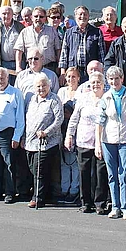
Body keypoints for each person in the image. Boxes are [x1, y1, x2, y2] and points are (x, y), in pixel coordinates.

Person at [95, 66, 126, 220]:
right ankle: (115, 207)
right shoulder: (105, 98)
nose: (114, 81)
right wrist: (98, 144)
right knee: (112, 174)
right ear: (108, 81)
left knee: (125, 174)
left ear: (122, 78)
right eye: (111, 79)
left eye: (117, 78)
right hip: (109, 139)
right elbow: (100, 122)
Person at [66, 71, 111, 214]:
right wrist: (69, 135)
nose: (96, 85)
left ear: (104, 84)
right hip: (84, 140)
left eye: (99, 82)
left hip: (103, 140)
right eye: (93, 83)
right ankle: (85, 202)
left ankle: (100, 203)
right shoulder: (83, 98)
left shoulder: (108, 97)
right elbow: (74, 118)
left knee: (100, 173)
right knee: (84, 172)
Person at [0, 67, 27, 203]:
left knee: (9, 164)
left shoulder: (15, 93)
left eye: (2, 78)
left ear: (7, 78)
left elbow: (20, 118)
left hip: (7, 134)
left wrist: (16, 137)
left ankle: (10, 192)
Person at [24, 73, 64, 208]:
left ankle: (38, 198)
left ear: (49, 85)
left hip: (47, 142)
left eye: (44, 85)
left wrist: (46, 132)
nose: (41, 88)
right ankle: (43, 194)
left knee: (39, 170)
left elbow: (59, 120)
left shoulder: (54, 99)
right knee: (32, 169)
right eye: (38, 86)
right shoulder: (32, 100)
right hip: (30, 142)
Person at [59, 5, 105, 84]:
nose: (82, 16)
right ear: (75, 16)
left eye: (85, 14)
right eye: (80, 14)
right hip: (74, 72)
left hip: (91, 72)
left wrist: (101, 72)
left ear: (88, 16)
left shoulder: (96, 32)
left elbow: (101, 55)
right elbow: (64, 54)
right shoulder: (69, 32)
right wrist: (63, 73)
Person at [57, 67, 81, 204]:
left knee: (74, 161)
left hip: (76, 128)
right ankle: (64, 188)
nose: (71, 79)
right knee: (64, 161)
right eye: (69, 77)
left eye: (73, 76)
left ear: (78, 78)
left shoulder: (81, 91)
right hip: (62, 127)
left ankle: (74, 190)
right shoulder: (62, 91)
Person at [14, 6, 61, 74]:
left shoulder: (52, 31)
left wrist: (59, 66)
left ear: (45, 18)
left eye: (41, 17)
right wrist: (18, 67)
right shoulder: (25, 32)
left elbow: (58, 50)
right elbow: (19, 50)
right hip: (31, 68)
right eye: (36, 16)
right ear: (32, 18)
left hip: (49, 68)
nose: (38, 19)